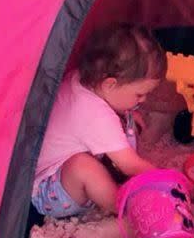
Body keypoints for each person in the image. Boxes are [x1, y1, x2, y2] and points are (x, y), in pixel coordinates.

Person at [31, 24, 165, 218]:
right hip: (49, 191)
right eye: (139, 94)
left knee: (126, 120)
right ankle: (122, 206)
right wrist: (164, 179)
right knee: (83, 167)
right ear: (109, 84)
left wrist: (128, 115)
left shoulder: (85, 80)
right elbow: (130, 165)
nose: (143, 100)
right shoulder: (93, 114)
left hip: (62, 163)